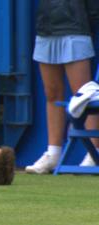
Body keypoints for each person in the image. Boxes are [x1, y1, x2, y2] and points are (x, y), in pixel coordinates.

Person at [26, 0, 99, 174]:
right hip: (46, 30)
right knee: (51, 94)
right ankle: (53, 154)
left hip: (76, 31)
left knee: (84, 96)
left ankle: (94, 152)